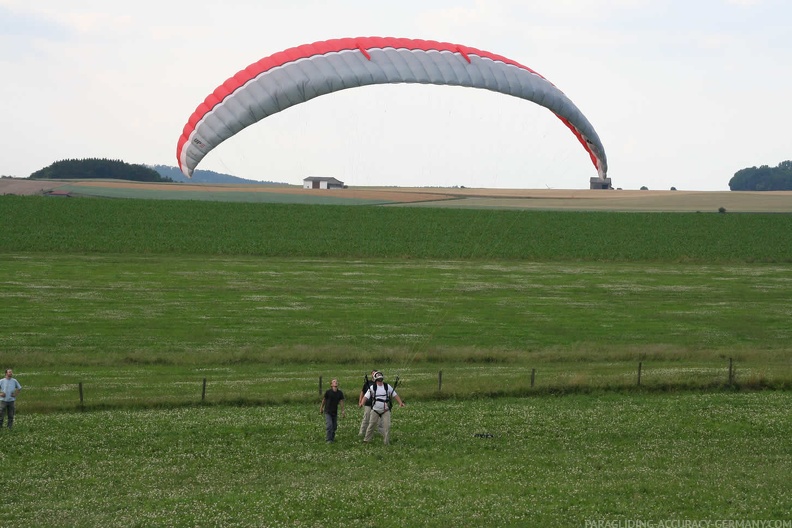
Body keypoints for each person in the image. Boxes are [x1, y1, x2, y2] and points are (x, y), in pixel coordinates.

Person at [360, 371, 404, 445]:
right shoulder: (372, 387)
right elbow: (366, 396)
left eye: (381, 376)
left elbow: (394, 394)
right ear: (376, 378)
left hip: (385, 410)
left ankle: (386, 442)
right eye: (378, 376)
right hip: (375, 410)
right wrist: (362, 403)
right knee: (371, 425)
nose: (380, 378)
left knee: (387, 426)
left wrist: (400, 402)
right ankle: (366, 440)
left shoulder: (387, 386)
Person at [319, 378, 345, 443]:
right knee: (329, 425)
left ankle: (332, 438)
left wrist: (343, 411)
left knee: (334, 427)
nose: (335, 382)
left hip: (334, 412)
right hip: (328, 411)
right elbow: (324, 400)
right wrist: (321, 408)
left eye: (336, 381)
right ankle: (328, 439)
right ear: (331, 385)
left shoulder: (340, 393)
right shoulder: (328, 392)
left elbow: (341, 401)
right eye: (334, 382)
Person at [358, 370, 378, 436]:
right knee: (366, 418)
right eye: (373, 373)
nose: (374, 374)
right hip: (368, 403)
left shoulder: (379, 383)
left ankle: (373, 433)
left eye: (376, 373)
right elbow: (362, 392)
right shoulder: (368, 383)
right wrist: (360, 401)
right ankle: (362, 432)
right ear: (371, 375)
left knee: (376, 420)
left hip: (377, 404)